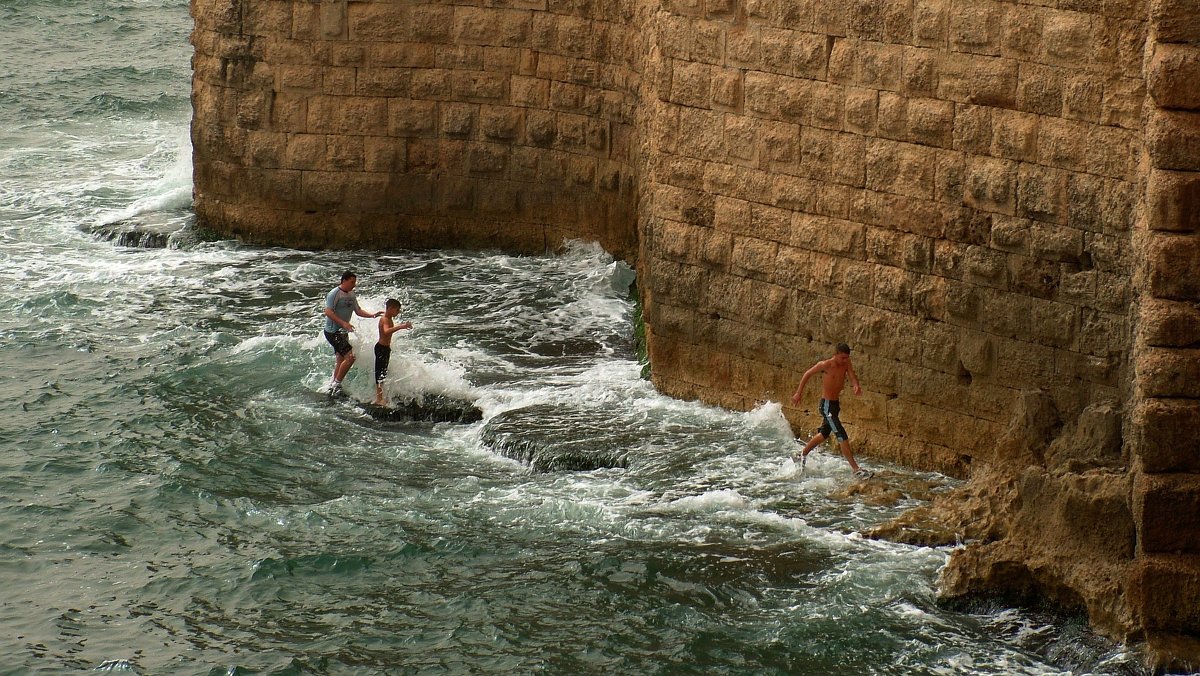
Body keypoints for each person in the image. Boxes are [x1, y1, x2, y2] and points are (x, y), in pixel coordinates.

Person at [791, 343, 871, 478]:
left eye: (847, 358)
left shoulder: (846, 363)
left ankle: (801, 455)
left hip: (835, 405)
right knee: (841, 434)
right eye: (843, 358)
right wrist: (798, 393)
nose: (845, 360)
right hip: (826, 406)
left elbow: (851, 375)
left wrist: (856, 385)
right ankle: (856, 469)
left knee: (823, 434)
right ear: (836, 354)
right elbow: (807, 374)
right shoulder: (826, 365)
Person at [323, 270, 383, 396]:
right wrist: (343, 323)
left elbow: (358, 310)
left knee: (340, 358)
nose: (354, 284)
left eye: (355, 282)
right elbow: (328, 312)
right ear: (344, 281)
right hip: (333, 331)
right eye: (352, 282)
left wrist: (372, 315)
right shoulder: (335, 293)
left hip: (342, 332)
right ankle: (337, 384)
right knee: (350, 358)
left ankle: (333, 385)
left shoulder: (351, 294)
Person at [373, 298, 412, 405]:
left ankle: (381, 397)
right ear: (390, 308)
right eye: (397, 310)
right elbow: (386, 331)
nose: (398, 313)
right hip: (381, 348)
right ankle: (379, 399)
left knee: (383, 373)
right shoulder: (385, 319)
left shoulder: (388, 317)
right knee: (380, 373)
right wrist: (401, 327)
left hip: (385, 348)